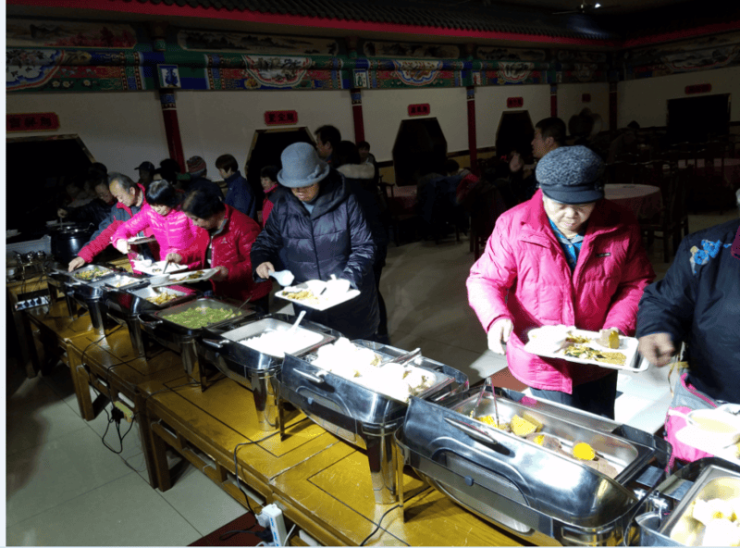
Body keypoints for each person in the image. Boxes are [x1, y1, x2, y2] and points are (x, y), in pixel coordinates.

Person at [467, 146, 655, 419]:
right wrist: (496, 317)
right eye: (560, 205)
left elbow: (636, 283)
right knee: (557, 429)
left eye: (581, 206)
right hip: (542, 358)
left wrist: (616, 327)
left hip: (597, 355)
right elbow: (485, 279)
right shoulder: (515, 225)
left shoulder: (620, 224)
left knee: (600, 428)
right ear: (542, 193)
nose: (570, 215)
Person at [636, 207, 740, 463]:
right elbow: (665, 300)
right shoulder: (706, 248)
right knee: (696, 477)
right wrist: (655, 327)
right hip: (708, 399)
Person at [251, 142, 380, 340]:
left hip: (349, 302)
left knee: (356, 351)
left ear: (320, 177)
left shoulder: (345, 201)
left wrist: (346, 280)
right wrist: (260, 259)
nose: (300, 191)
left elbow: (365, 247)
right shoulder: (282, 207)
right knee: (318, 348)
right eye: (294, 186)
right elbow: (264, 241)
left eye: (307, 185)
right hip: (309, 302)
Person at [165, 185, 272, 312]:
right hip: (224, 292)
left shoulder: (244, 226)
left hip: (250, 296)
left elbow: (257, 263)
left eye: (196, 219)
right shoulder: (206, 226)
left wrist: (228, 272)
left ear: (210, 212)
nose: (194, 223)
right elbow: (199, 248)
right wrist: (181, 256)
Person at [334, 140, 390, 343]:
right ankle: (382, 333)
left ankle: (370, 337)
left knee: (361, 293)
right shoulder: (367, 177)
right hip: (377, 241)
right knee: (373, 289)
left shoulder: (341, 184)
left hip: (359, 246)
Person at [67, 173, 157, 271]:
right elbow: (103, 234)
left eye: (121, 196)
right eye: (116, 197)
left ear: (132, 191)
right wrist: (83, 256)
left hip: (163, 262)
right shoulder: (119, 210)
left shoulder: (155, 199)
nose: (119, 201)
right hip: (140, 266)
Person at [111, 180, 200, 268]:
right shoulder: (149, 211)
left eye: (160, 205)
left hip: (192, 265)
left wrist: (182, 256)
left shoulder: (186, 210)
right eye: (153, 205)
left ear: (170, 200)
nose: (157, 209)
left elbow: (200, 243)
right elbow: (127, 227)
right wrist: (119, 240)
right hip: (167, 266)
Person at [509, 117, 566, 203]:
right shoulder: (561, 162)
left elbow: (526, 199)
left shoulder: (551, 169)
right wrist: (515, 172)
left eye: (535, 137)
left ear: (549, 141)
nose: (532, 142)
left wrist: (514, 174)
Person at [216, 153, 257, 222]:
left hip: (243, 225)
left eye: (220, 170)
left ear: (229, 169)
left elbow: (240, 211)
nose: (219, 173)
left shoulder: (240, 185)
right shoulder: (233, 184)